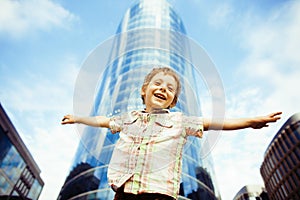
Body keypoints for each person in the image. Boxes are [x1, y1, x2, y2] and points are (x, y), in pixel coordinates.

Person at [62, 67, 281, 200]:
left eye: (169, 88)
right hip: (124, 192)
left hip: (159, 194)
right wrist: (79, 118)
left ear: (173, 100)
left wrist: (251, 121)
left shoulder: (179, 121)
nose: (163, 89)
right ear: (144, 90)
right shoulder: (129, 118)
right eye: (157, 84)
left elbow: (216, 123)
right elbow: (104, 120)